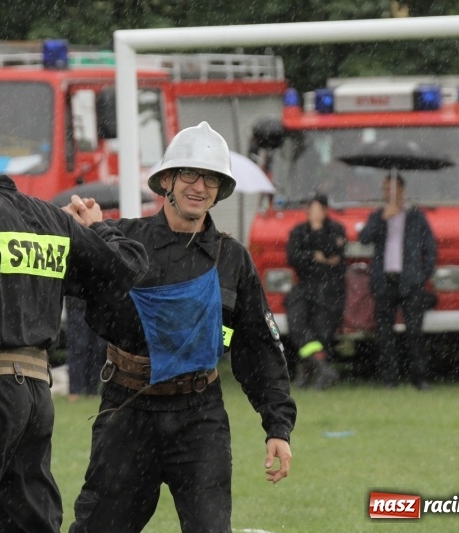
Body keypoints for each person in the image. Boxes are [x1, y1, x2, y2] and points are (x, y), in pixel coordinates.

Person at [0, 110, 148, 533]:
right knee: (30, 523)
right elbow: (125, 268)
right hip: (36, 398)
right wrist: (101, 229)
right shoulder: (47, 218)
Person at [64, 122, 296, 533]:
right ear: (167, 180)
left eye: (211, 178)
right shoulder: (119, 239)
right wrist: (75, 232)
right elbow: (59, 273)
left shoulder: (232, 259)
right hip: (127, 410)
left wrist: (277, 425)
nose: (199, 186)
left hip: (199, 418)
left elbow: (258, 347)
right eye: (190, 173)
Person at [359, 174, 437, 390]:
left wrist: (422, 275)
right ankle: (389, 379)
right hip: (384, 281)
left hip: (410, 282)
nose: (388, 194)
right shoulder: (377, 215)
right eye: (385, 189)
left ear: (402, 191)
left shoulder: (416, 217)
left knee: (414, 332)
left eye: (392, 189)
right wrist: (383, 219)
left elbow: (430, 249)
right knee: (385, 333)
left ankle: (419, 378)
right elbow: (364, 238)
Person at [285, 193, 345, 389]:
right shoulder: (298, 231)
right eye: (311, 209)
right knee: (297, 325)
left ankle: (309, 375)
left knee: (321, 332)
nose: (313, 213)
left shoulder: (336, 229)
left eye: (317, 209)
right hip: (304, 285)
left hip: (330, 288)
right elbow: (292, 257)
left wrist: (318, 236)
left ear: (326, 211)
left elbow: (336, 254)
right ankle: (323, 369)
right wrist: (314, 255)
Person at [64, 295, 107, 401]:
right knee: (78, 347)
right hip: (76, 303)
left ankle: (92, 390)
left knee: (98, 349)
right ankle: (74, 391)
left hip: (99, 304)